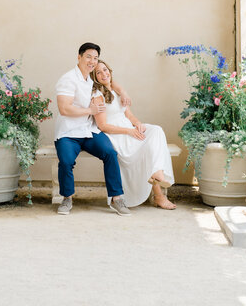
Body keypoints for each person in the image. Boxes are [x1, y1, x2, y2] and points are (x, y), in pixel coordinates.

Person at [55, 42, 132, 216]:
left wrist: (124, 93)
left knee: (110, 154)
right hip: (68, 133)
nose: (92, 61)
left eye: (95, 58)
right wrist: (90, 110)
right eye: (88, 56)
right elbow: (64, 108)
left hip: (89, 131)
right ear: (79, 57)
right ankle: (67, 198)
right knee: (66, 161)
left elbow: (111, 81)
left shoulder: (91, 79)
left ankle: (117, 198)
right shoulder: (68, 79)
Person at [90, 60, 176, 210]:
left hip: (129, 129)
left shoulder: (117, 92)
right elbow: (102, 126)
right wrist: (129, 131)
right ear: (95, 77)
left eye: (105, 70)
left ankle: (157, 172)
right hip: (117, 135)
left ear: (110, 71)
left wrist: (138, 124)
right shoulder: (98, 96)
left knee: (156, 131)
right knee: (147, 148)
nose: (104, 74)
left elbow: (129, 116)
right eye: (99, 72)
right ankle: (159, 196)